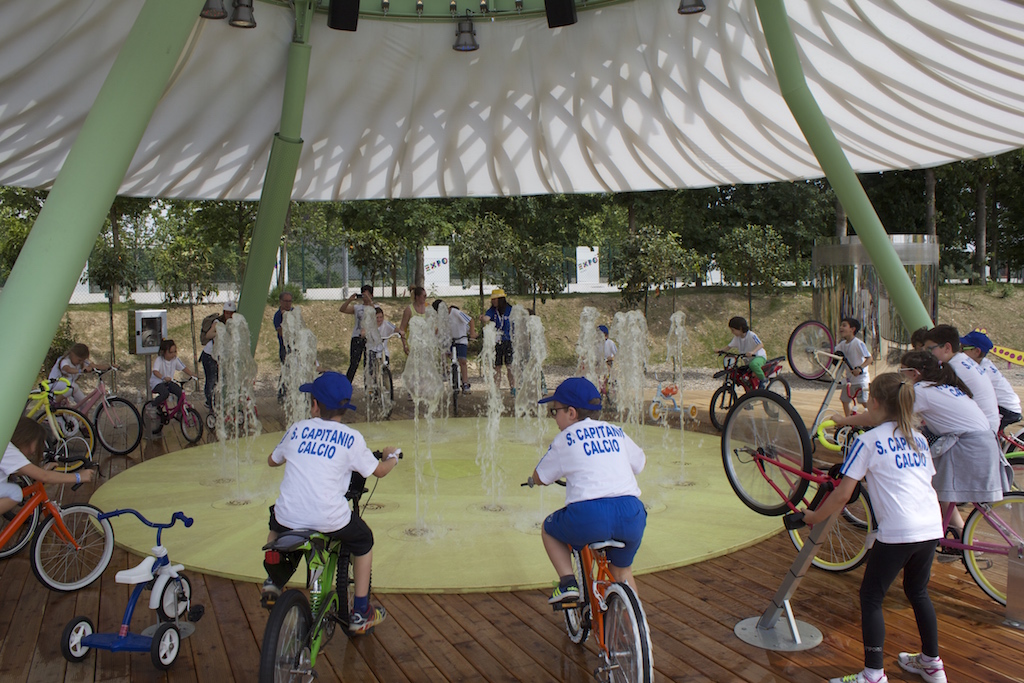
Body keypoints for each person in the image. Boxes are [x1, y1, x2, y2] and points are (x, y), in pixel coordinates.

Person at [803, 373, 946, 683]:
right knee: (918, 591)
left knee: (871, 596)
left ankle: (873, 675)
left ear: (876, 402)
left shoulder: (867, 442)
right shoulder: (918, 438)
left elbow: (842, 495)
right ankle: (932, 663)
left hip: (897, 531)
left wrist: (813, 517)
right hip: (930, 527)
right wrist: (846, 420)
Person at [261, 372, 400, 634]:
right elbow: (379, 471)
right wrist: (392, 456)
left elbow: (272, 460)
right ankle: (361, 611)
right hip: (329, 519)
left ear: (314, 405)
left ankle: (272, 580)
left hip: (289, 517)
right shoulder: (352, 438)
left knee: (277, 518)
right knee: (364, 540)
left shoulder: (297, 429)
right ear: (345, 408)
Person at [530, 378, 647, 601]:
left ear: (571, 413)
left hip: (589, 516)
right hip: (632, 514)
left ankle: (567, 582)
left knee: (549, 529)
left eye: (554, 411)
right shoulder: (616, 431)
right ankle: (636, 622)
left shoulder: (565, 439)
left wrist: (533, 480)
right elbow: (640, 464)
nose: (554, 418)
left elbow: (542, 476)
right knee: (622, 572)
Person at [897, 351, 1008, 534]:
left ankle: (958, 533)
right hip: (984, 442)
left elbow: (893, 416)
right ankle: (958, 533)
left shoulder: (920, 390)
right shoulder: (944, 386)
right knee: (942, 490)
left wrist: (848, 420)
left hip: (968, 445)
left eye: (902, 372)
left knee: (935, 485)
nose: (900, 376)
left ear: (914, 373)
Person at [1, 417, 95, 516]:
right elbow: (44, 476)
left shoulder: (6, 445)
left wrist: (40, 470)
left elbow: (19, 470)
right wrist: (78, 477)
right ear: (27, 438)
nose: (33, 452)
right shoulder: (10, 450)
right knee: (15, 493)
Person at [922, 324, 999, 434]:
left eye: (930, 349)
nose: (927, 354)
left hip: (978, 432)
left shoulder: (953, 368)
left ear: (947, 348)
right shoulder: (962, 361)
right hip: (987, 426)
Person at [960, 330, 1022, 432]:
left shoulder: (982, 370)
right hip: (1008, 405)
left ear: (977, 351)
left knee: (984, 430)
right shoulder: (984, 363)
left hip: (1006, 409)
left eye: (963, 348)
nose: (959, 352)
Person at [150, 339, 198, 434]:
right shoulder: (159, 360)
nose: (173, 354)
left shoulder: (175, 359)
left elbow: (183, 367)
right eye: (170, 352)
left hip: (168, 382)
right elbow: (155, 371)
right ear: (164, 352)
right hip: (157, 382)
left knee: (180, 392)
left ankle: (179, 412)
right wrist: (163, 377)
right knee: (165, 393)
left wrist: (192, 374)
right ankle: (153, 406)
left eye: (175, 352)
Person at [199, 301, 236, 410]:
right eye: (227, 313)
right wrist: (220, 333)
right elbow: (208, 335)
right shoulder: (218, 322)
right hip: (209, 355)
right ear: (224, 312)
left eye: (231, 313)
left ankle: (215, 402)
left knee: (218, 380)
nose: (229, 315)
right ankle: (210, 403)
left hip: (220, 356)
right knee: (211, 380)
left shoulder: (234, 323)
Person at [434, 299, 476, 393]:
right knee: (443, 352)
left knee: (462, 361)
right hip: (450, 340)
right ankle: (445, 371)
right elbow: (439, 329)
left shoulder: (455, 312)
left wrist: (472, 332)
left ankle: (465, 383)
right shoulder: (442, 318)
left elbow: (470, 320)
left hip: (461, 339)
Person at [835, 317, 872, 416]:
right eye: (841, 325)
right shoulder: (842, 345)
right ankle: (848, 420)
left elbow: (869, 358)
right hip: (849, 380)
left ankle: (875, 418)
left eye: (844, 325)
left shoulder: (858, 343)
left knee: (864, 401)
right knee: (845, 400)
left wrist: (860, 368)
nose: (841, 328)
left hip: (860, 379)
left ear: (852, 329)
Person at [717, 316, 767, 388]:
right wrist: (720, 351)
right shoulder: (737, 338)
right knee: (743, 375)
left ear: (740, 328)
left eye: (733, 330)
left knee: (753, 365)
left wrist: (753, 352)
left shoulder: (751, 335)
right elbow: (729, 347)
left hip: (759, 356)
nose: (732, 332)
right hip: (748, 360)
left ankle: (763, 380)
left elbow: (761, 344)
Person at [340, 285, 376, 383]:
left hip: (370, 338)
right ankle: (347, 385)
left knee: (368, 364)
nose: (365, 297)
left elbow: (375, 314)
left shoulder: (375, 307)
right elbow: (342, 309)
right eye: (364, 295)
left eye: (367, 295)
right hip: (357, 336)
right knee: (354, 363)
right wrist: (349, 300)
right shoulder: (357, 307)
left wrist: (370, 301)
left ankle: (368, 386)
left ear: (371, 295)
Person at [481, 288, 515, 393]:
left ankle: (513, 387)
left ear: (501, 299)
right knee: (497, 366)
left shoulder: (510, 309)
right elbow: (487, 318)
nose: (493, 301)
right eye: (492, 299)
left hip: (508, 340)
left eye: (495, 299)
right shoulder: (492, 310)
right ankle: (496, 389)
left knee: (509, 365)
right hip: (497, 341)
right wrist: (483, 318)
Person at [397, 286, 428, 356]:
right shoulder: (409, 310)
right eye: (424, 296)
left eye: (426, 296)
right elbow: (402, 329)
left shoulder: (427, 307)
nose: (425, 298)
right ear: (417, 297)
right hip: (412, 342)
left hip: (425, 342)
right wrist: (404, 345)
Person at [273, 291, 294, 364]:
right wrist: (285, 318)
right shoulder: (278, 316)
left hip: (296, 344)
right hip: (285, 346)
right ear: (281, 302)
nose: (288, 304)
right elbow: (281, 333)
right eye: (286, 301)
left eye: (290, 301)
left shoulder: (294, 312)